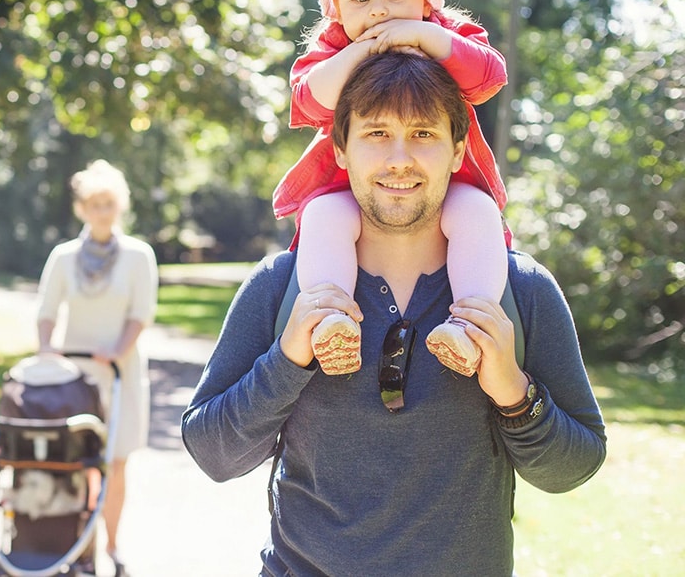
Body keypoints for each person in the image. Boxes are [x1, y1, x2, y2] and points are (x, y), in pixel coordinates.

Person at [181, 52, 607, 576]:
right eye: (377, 133)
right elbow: (213, 454)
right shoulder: (281, 288)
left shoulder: (520, 290)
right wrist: (287, 361)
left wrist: (513, 393)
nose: (399, 159)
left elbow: (574, 466)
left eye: (424, 134)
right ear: (341, 149)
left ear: (457, 151)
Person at [274, 0, 510, 377]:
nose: (379, 11)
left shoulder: (443, 34)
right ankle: (331, 321)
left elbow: (490, 76)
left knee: (478, 214)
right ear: (335, 4)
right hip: (353, 181)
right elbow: (307, 101)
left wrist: (427, 37)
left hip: (445, 178)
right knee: (323, 217)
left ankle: (469, 329)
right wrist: (361, 51)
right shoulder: (335, 47)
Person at [36, 159, 158, 577]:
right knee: (79, 462)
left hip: (120, 372)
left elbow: (141, 314)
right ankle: (80, 544)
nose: (101, 211)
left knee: (115, 462)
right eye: (93, 204)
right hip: (75, 377)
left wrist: (116, 349)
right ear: (82, 208)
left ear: (119, 206)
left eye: (108, 203)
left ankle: (113, 543)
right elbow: (47, 311)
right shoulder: (64, 257)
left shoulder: (139, 256)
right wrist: (47, 349)